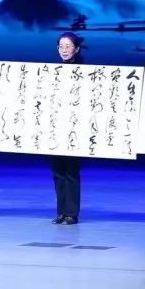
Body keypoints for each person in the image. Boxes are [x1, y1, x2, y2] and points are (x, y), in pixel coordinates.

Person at [51, 32, 84, 225]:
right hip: (55, 128)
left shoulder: (84, 72)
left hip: (74, 129)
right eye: (61, 46)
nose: (64, 50)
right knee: (57, 172)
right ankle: (61, 212)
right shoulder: (53, 72)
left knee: (71, 171)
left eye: (68, 46)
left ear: (76, 49)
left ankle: (72, 212)